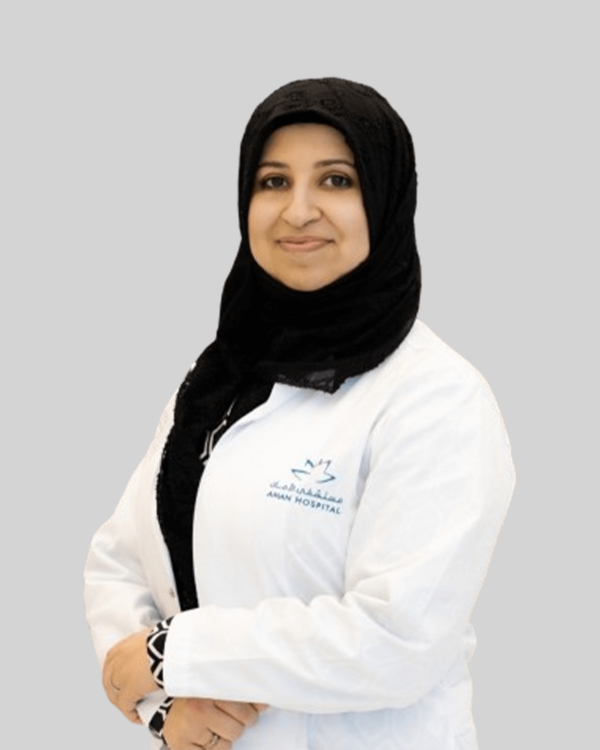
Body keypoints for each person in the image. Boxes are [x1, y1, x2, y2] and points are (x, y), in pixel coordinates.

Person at [84, 77, 515, 750]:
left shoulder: (435, 397)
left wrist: (174, 653)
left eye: (337, 180)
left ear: (387, 197)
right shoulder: (217, 380)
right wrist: (166, 707)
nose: (299, 210)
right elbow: (123, 557)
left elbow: (396, 641)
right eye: (274, 181)